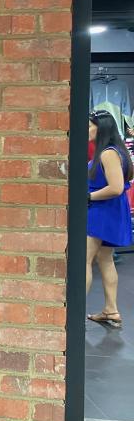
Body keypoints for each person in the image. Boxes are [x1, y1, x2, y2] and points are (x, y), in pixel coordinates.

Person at [86, 111, 133, 329]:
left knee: (83, 262)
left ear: (100, 128)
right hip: (109, 211)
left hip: (101, 211)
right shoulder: (115, 151)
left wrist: (86, 196)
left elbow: (115, 188)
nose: (86, 130)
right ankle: (111, 310)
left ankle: (75, 316)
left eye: (89, 126)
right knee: (105, 260)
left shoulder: (107, 154)